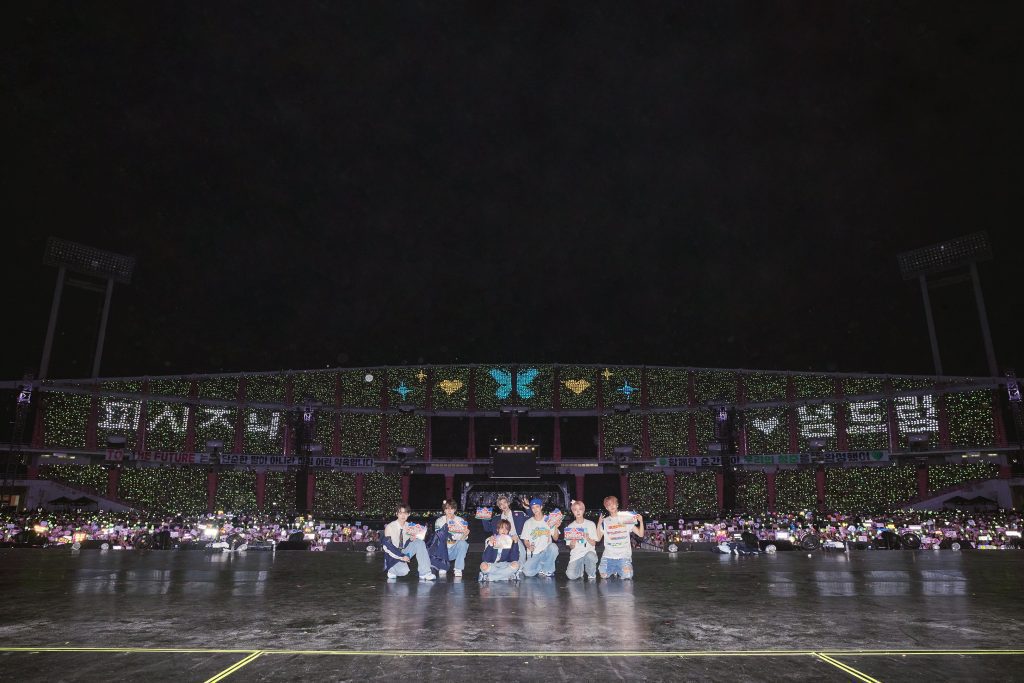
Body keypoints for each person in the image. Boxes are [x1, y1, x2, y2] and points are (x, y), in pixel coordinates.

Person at [382, 504, 435, 581]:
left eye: (405, 513)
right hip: (393, 555)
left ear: (408, 514)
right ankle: (391, 570)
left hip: (404, 551)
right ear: (396, 514)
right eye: (400, 513)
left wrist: (411, 539)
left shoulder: (410, 526)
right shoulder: (390, 527)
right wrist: (402, 556)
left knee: (419, 542)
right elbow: (387, 546)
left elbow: (408, 543)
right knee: (403, 571)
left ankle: (425, 573)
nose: (403, 515)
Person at [595, 495, 644, 579]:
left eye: (613, 503)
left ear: (617, 504)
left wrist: (641, 521)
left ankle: (617, 568)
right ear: (606, 508)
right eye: (609, 505)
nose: (612, 506)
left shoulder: (626, 518)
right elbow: (598, 538)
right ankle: (615, 568)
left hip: (623, 556)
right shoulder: (605, 521)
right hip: (608, 556)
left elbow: (640, 534)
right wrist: (599, 523)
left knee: (628, 576)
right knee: (603, 575)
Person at [520, 497, 560, 577]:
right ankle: (543, 566)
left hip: (545, 552)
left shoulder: (549, 520)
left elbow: (556, 538)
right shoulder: (528, 522)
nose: (535, 509)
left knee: (554, 547)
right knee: (527, 572)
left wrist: (556, 527)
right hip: (534, 554)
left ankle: (547, 569)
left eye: (537, 507)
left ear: (541, 507)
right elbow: (525, 540)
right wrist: (529, 546)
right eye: (533, 508)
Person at [482, 494, 528, 559]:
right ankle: (488, 561)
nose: (503, 505)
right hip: (501, 540)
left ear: (508, 503)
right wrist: (484, 517)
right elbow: (487, 528)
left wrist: (527, 508)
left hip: (515, 539)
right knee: (488, 540)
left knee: (517, 547)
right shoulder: (496, 518)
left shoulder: (519, 514)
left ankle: (520, 562)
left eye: (505, 502)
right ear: (499, 507)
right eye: (501, 504)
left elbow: (531, 519)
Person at [433, 499, 470, 577]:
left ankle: (458, 568)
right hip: (442, 551)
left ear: (455, 509)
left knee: (463, 543)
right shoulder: (439, 521)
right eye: (447, 508)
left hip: (454, 550)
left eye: (451, 508)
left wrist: (465, 534)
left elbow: (462, 540)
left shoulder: (460, 520)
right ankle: (442, 565)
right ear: (444, 510)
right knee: (439, 542)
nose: (449, 510)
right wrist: (447, 523)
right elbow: (438, 537)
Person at [562, 499, 598, 580]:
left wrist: (587, 538)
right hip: (576, 554)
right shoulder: (570, 527)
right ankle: (580, 569)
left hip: (588, 552)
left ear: (583, 510)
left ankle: (591, 573)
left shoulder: (591, 524)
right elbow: (571, 547)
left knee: (590, 556)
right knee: (571, 576)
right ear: (573, 511)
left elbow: (594, 543)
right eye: (575, 510)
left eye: (580, 509)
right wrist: (572, 543)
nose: (578, 511)